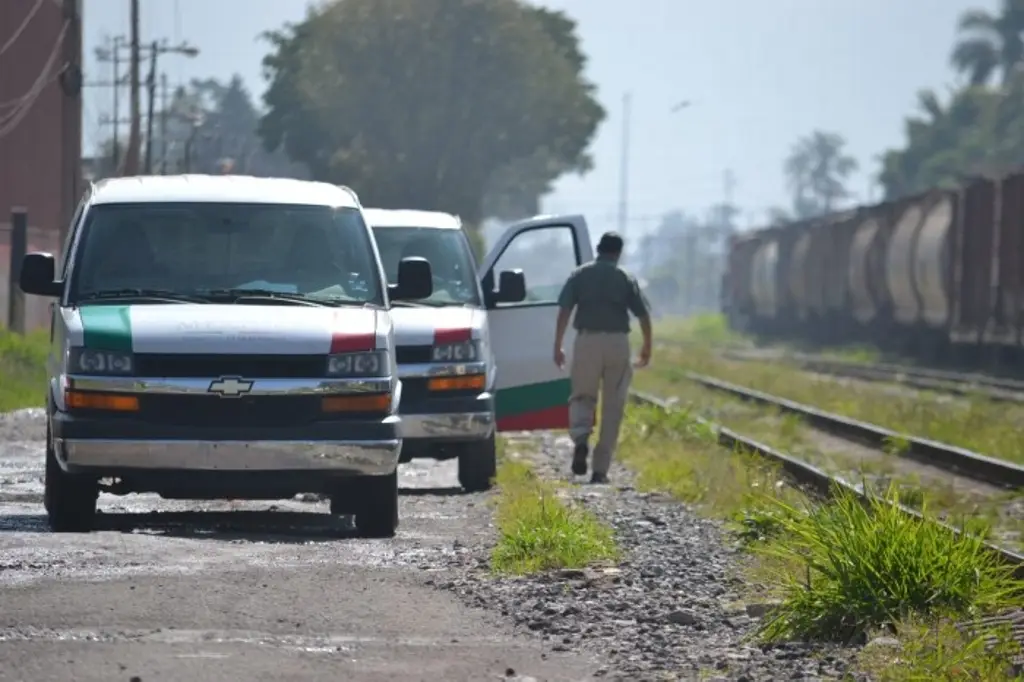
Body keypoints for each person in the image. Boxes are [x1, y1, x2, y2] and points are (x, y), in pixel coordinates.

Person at [553, 231, 653, 484]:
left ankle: (581, 439)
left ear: (598, 249)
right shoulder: (625, 277)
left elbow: (564, 309)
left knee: (582, 395)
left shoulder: (580, 275)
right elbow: (643, 315)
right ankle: (600, 470)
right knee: (613, 405)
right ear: (618, 252)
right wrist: (647, 347)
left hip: (587, 340)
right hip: (617, 342)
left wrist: (557, 345)